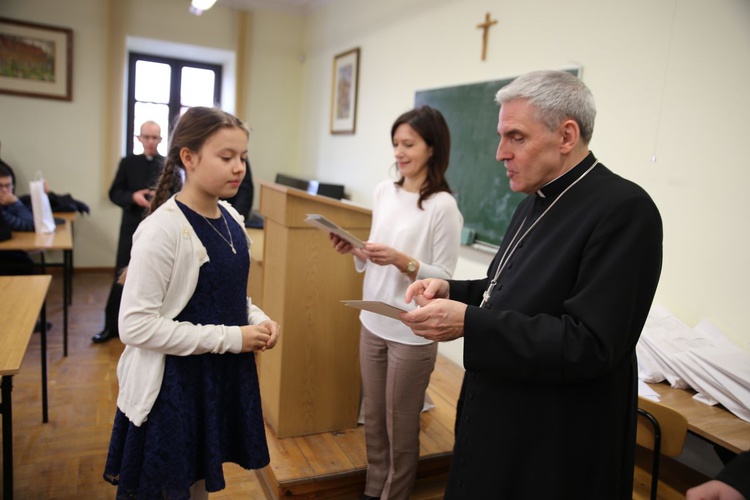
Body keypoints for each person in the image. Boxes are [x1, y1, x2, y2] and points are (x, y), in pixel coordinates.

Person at [400, 70, 663, 499]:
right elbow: (504, 288)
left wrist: (470, 322)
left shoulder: (625, 210)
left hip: (553, 441)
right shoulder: (533, 201)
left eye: (515, 137)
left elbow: (590, 343)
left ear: (566, 135)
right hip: (501, 415)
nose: (500, 152)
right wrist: (452, 292)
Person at [102, 106, 280, 498]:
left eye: (243, 158)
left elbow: (225, 293)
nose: (239, 169)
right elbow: (133, 326)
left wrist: (258, 317)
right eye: (226, 157)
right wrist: (233, 338)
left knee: (197, 482)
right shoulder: (162, 230)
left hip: (214, 375)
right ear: (188, 157)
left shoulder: (230, 216)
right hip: (175, 386)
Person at [330, 106, 463, 500]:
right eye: (395, 144)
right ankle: (374, 490)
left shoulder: (442, 206)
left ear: (432, 148)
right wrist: (355, 250)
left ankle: (395, 494)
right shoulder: (383, 191)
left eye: (408, 144)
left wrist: (406, 262)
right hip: (373, 318)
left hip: (413, 328)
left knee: (400, 425)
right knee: (373, 417)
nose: (399, 153)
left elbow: (448, 279)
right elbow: (374, 250)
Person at [92, 121, 164, 343]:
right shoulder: (128, 162)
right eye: (147, 137)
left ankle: (150, 326)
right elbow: (115, 192)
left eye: (155, 138)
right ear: (139, 138)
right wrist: (134, 197)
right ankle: (111, 326)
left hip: (158, 227)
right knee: (122, 274)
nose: (151, 142)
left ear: (160, 140)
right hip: (131, 225)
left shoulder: (167, 163)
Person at [0, 161, 36, 275]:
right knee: (24, 264)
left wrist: (16, 202)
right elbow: (28, 225)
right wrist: (16, 202)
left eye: (8, 186)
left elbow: (30, 222)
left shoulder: (9, 203)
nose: (5, 190)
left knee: (25, 261)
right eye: (0, 186)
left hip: (6, 250)